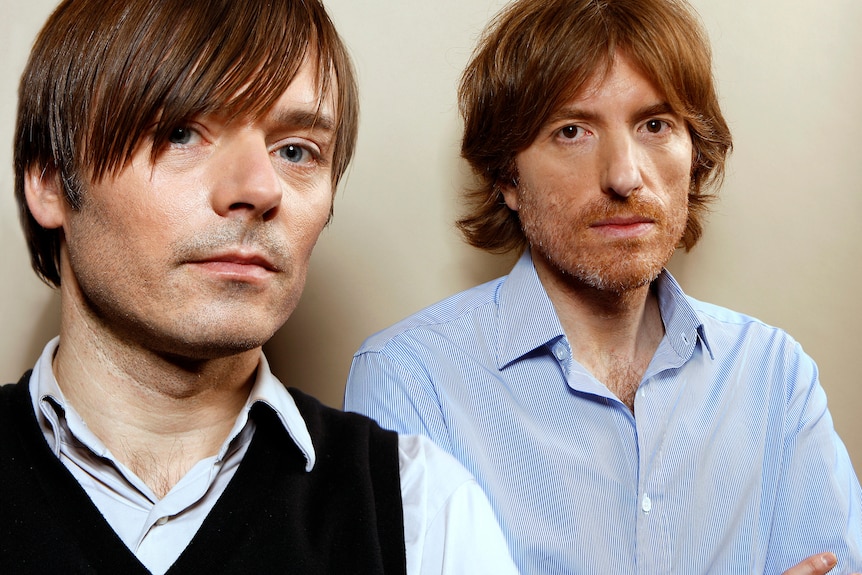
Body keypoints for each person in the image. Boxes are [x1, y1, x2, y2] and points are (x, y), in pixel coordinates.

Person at [344, 0, 862, 573]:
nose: (624, 175)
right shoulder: (412, 384)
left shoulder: (775, 377)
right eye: (572, 131)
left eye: (655, 125)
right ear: (506, 178)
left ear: (694, 153)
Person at [1, 0, 519, 573]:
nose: (259, 187)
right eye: (181, 133)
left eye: (295, 150)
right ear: (48, 180)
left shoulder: (421, 508)